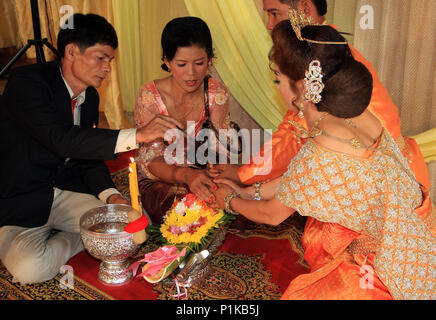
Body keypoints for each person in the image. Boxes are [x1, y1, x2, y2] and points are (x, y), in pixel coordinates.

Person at [212, 21, 435, 300]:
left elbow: (273, 214)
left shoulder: (321, 146)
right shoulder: (357, 115)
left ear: (303, 86)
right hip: (414, 240)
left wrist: (229, 201)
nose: (277, 88)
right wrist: (247, 191)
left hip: (380, 267)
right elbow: (305, 178)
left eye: (278, 80)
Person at [0, 13, 182, 285]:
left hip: (66, 192)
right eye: (101, 57)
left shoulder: (90, 95)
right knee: (29, 270)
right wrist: (139, 134)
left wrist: (111, 197)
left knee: (136, 226)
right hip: (23, 200)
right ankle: (86, 236)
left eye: (110, 59)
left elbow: (88, 156)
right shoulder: (27, 83)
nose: (108, 67)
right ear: (71, 52)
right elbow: (63, 139)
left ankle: (83, 234)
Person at [210, 0, 431, 197]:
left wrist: (244, 177)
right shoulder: (326, 52)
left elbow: (293, 138)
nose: (269, 24)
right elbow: (292, 128)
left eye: (274, 13)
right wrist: (246, 176)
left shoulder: (322, 62)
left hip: (381, 191)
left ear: (305, 8)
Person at [134, 17, 232, 224]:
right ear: (167, 61)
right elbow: (153, 160)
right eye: (181, 64)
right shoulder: (149, 96)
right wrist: (186, 176)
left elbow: (220, 149)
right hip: (161, 177)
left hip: (202, 173)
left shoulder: (216, 94)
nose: (191, 73)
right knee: (183, 215)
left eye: (199, 63)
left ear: (210, 59)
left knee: (231, 203)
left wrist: (216, 177)